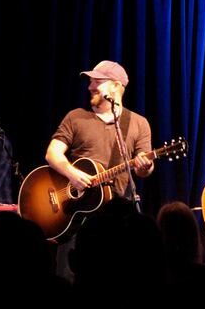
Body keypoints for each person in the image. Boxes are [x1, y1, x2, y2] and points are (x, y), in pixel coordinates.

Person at [45, 60, 154, 281]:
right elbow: (52, 154)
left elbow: (144, 171)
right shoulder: (76, 117)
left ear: (115, 86)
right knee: (70, 278)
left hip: (115, 217)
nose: (90, 86)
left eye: (97, 81)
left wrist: (146, 165)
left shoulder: (138, 123)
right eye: (90, 81)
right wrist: (72, 174)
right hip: (76, 215)